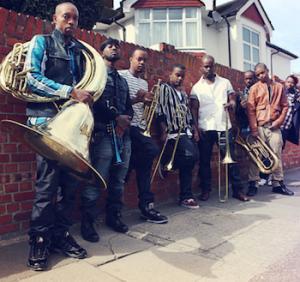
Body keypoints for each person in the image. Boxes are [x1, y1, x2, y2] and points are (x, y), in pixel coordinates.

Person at [25, 2, 91, 271]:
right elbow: (32, 78)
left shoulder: (79, 52)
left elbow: (87, 85)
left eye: (75, 18)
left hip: (71, 128)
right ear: (54, 19)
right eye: (66, 17)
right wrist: (70, 92)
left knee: (70, 186)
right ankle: (39, 239)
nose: (71, 22)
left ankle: (60, 235)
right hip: (46, 124)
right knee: (47, 187)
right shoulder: (41, 42)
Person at [80, 38, 133, 242]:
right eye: (110, 46)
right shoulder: (97, 73)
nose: (114, 48)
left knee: (118, 181)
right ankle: (88, 222)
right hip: (103, 134)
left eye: (117, 46)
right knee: (97, 180)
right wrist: (115, 118)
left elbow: (128, 106)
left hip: (122, 136)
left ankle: (114, 217)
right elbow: (95, 101)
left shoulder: (122, 80)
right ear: (101, 52)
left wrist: (126, 120)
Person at [190, 54, 249, 202]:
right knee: (204, 161)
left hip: (224, 125)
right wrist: (196, 129)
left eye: (211, 66)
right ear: (201, 68)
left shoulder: (225, 82)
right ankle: (205, 190)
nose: (209, 69)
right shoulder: (196, 88)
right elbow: (194, 110)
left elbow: (233, 98)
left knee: (230, 159)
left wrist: (232, 104)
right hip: (205, 127)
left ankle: (237, 191)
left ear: (214, 66)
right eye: (206, 66)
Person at [119, 48, 168, 224]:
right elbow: (118, 103)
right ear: (130, 59)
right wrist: (137, 100)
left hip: (140, 128)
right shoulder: (121, 76)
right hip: (125, 127)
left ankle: (147, 206)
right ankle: (144, 205)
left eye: (144, 60)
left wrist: (148, 101)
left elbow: (146, 109)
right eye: (139, 59)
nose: (142, 63)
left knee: (143, 168)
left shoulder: (145, 84)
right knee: (152, 149)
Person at [156, 64, 200, 209]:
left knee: (193, 159)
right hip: (173, 132)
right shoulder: (164, 88)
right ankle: (168, 162)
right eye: (177, 75)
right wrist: (163, 130)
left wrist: (193, 128)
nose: (180, 78)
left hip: (185, 131)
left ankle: (185, 196)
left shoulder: (183, 92)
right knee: (190, 156)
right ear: (170, 74)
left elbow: (187, 112)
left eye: (182, 76)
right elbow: (159, 109)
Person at [247, 63, 294, 196]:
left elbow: (285, 106)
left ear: (267, 71)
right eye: (257, 75)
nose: (260, 76)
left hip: (274, 127)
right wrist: (254, 129)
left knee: (276, 154)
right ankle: (253, 183)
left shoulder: (279, 87)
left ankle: (278, 183)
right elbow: (250, 110)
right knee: (255, 156)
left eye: (262, 73)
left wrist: (279, 122)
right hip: (260, 127)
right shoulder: (254, 88)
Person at [281, 75, 300, 149]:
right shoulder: (281, 93)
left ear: (294, 85)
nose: (289, 84)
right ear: (285, 82)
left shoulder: (297, 96)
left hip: (287, 127)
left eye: (292, 83)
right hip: (278, 125)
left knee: (281, 148)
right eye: (288, 82)